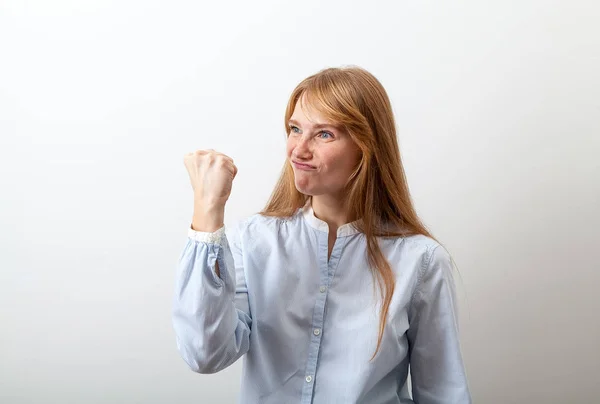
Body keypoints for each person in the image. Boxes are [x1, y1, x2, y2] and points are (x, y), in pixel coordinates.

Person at [172, 66, 472, 403]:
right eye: (295, 129)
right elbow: (205, 353)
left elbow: (443, 392)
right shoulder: (254, 241)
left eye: (324, 134)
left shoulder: (422, 261)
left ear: (367, 146)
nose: (298, 150)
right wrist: (208, 212)